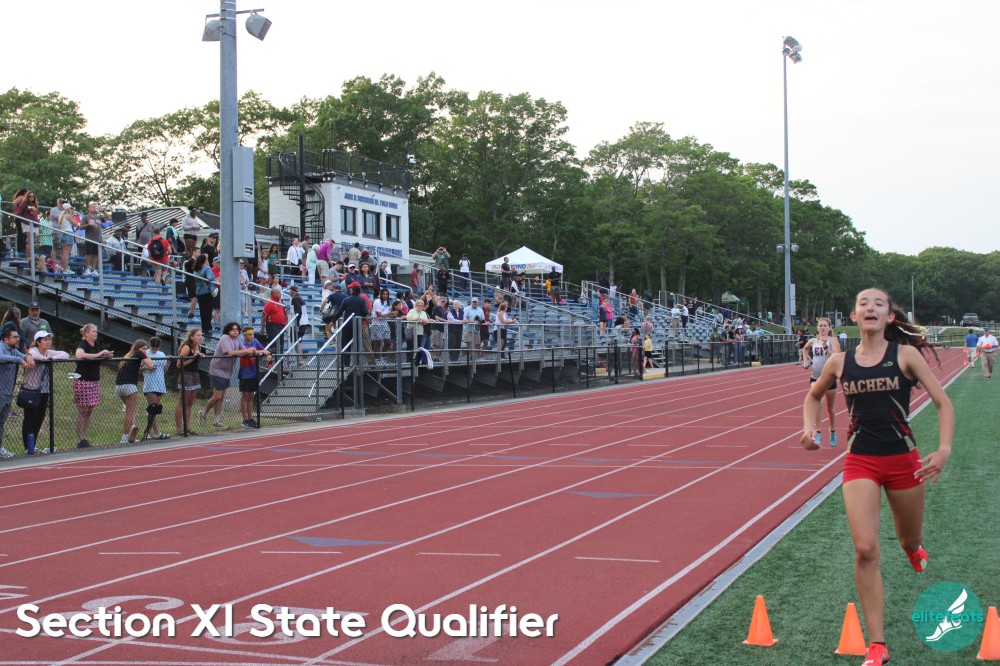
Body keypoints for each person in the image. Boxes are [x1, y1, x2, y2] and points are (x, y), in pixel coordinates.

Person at [802, 288, 954, 666]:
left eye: (878, 303)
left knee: (908, 538)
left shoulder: (905, 355)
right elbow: (813, 395)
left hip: (904, 462)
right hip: (861, 462)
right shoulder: (839, 361)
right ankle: (878, 644)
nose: (870, 307)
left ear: (889, 316)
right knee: (866, 548)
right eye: (863, 304)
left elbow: (943, 403)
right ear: (854, 316)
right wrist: (810, 428)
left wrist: (944, 449)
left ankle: (913, 548)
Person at [203, 322, 258, 429]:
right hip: (217, 369)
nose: (235, 331)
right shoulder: (225, 338)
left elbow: (244, 350)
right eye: (233, 329)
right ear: (228, 330)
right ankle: (204, 412)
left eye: (237, 329)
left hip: (227, 371)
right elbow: (229, 352)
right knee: (218, 396)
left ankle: (217, 420)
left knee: (221, 397)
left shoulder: (237, 340)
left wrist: (256, 351)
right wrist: (247, 350)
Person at [21, 331, 64, 455]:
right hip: (31, 390)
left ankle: (33, 444)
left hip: (44, 391)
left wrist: (51, 358)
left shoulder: (49, 353)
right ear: (38, 342)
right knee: (30, 419)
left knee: (39, 418)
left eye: (49, 339)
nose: (48, 342)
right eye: (45, 340)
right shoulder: (33, 351)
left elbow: (64, 354)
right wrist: (46, 359)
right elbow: (35, 356)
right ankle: (28, 446)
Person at [803, 317, 843, 446]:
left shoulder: (833, 340)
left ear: (829, 328)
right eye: (820, 326)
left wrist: (826, 347)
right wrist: (806, 360)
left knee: (830, 409)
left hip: (829, 378)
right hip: (815, 377)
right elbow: (805, 348)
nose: (822, 328)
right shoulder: (813, 341)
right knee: (819, 402)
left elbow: (836, 356)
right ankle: (818, 432)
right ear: (817, 328)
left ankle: (832, 431)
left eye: (825, 326)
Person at [73, 323, 114, 448]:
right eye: (93, 331)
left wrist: (107, 355)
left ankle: (84, 437)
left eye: (96, 331)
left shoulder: (96, 345)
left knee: (90, 410)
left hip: (94, 380)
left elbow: (104, 353)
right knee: (83, 410)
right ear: (86, 333)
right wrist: (97, 355)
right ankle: (80, 439)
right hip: (83, 380)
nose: (96, 333)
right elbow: (79, 355)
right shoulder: (83, 344)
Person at [114, 338, 154, 444]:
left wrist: (143, 367)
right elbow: (151, 365)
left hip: (119, 386)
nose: (145, 350)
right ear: (138, 348)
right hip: (130, 386)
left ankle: (132, 427)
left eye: (146, 349)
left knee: (130, 410)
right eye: (143, 348)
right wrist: (147, 355)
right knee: (130, 412)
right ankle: (125, 436)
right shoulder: (139, 354)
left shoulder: (129, 356)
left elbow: (137, 368)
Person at [0, 327, 32, 458]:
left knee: (1, 422)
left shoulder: (14, 350)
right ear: (6, 339)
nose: (18, 339)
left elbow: (23, 355)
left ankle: (0, 448)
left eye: (18, 337)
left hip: (8, 392)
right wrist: (19, 360)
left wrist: (28, 356)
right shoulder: (1, 347)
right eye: (14, 337)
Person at [174, 328, 204, 437]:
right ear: (192, 337)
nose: (200, 337)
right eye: (198, 335)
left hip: (195, 374)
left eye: (201, 335)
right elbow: (179, 364)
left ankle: (187, 427)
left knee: (190, 403)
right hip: (186, 375)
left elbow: (196, 362)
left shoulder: (198, 347)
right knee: (182, 402)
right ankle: (179, 429)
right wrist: (192, 358)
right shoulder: (186, 347)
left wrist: (199, 357)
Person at [238, 327, 269, 428]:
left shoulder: (255, 341)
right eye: (249, 334)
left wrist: (267, 354)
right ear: (244, 335)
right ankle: (245, 419)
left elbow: (263, 350)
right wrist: (260, 351)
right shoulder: (242, 343)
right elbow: (249, 351)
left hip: (254, 372)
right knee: (245, 396)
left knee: (251, 396)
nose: (252, 336)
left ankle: (250, 418)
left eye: (252, 334)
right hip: (245, 373)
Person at [141, 337, 170, 440]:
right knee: (152, 408)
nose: (154, 350)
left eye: (156, 348)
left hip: (160, 384)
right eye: (152, 348)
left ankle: (148, 432)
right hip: (150, 384)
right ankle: (157, 433)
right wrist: (147, 368)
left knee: (155, 410)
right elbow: (139, 368)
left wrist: (168, 362)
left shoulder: (161, 354)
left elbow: (164, 370)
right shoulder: (145, 353)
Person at [193, 254, 216, 335]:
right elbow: (210, 278)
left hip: (199, 292)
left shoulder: (196, 269)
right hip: (207, 292)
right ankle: (208, 327)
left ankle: (204, 327)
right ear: (205, 261)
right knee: (208, 310)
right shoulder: (206, 269)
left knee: (202, 311)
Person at [79, 202, 104, 276]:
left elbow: (108, 218)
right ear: (89, 209)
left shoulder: (99, 217)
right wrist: (88, 224)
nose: (95, 208)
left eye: (95, 206)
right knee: (89, 254)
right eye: (93, 206)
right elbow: (80, 227)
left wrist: (103, 211)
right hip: (90, 238)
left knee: (96, 254)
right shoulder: (85, 217)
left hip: (98, 239)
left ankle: (94, 269)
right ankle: (87, 269)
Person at [262, 286, 288, 355]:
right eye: (278, 293)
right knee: (274, 345)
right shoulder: (270, 303)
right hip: (272, 326)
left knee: (280, 344)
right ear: (273, 294)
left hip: (280, 326)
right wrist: (262, 328)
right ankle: (272, 360)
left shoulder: (280, 302)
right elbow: (264, 315)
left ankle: (280, 360)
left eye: (280, 293)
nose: (280, 294)